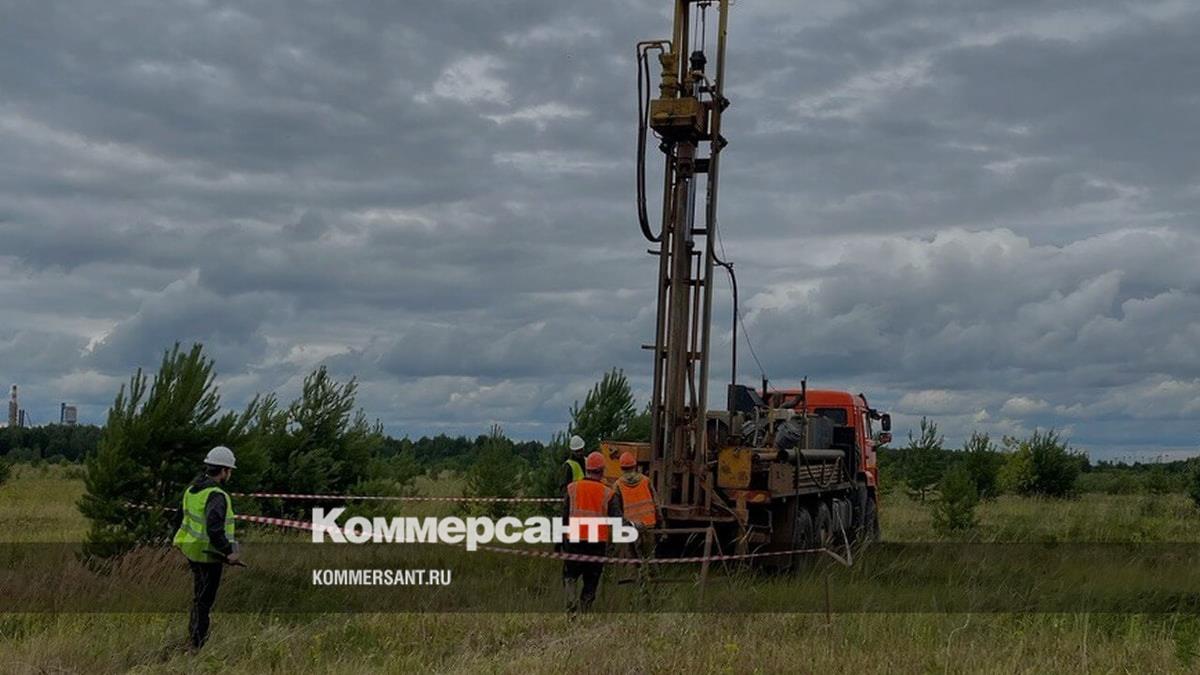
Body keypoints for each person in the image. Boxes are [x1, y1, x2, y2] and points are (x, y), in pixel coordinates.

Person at [172, 445, 240, 651]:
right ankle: (197, 643)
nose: (230, 474)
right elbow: (214, 529)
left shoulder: (192, 490)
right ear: (224, 470)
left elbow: (178, 519)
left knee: (199, 596)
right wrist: (229, 551)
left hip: (192, 551)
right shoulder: (216, 495)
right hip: (209, 555)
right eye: (229, 471)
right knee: (204, 601)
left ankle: (194, 636)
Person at [561, 451, 622, 613]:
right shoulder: (608, 493)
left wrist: (560, 540)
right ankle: (585, 610)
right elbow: (618, 521)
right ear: (602, 471)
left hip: (574, 540)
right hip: (596, 544)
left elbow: (564, 517)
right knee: (591, 580)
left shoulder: (572, 489)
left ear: (586, 469)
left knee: (570, 575)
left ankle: (571, 605)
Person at [615, 451, 659, 589]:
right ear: (635, 465)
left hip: (629, 527)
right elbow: (656, 503)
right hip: (648, 525)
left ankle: (634, 587)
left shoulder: (617, 485)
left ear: (621, 467)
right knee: (649, 557)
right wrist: (661, 521)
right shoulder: (646, 481)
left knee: (632, 558)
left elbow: (616, 510)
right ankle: (654, 585)